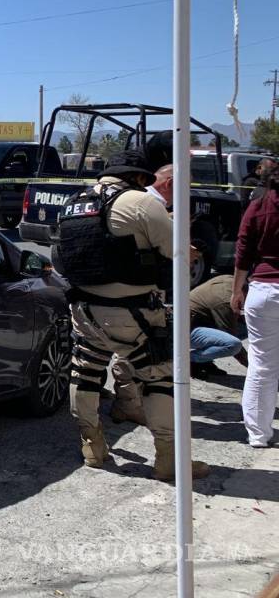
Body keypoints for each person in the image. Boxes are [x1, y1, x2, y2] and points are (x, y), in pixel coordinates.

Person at [53, 150, 210, 480]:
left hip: (84, 310)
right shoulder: (139, 202)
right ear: (139, 177)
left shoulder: (72, 204)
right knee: (160, 379)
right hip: (134, 312)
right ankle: (168, 459)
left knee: (86, 373)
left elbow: (60, 256)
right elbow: (176, 251)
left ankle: (92, 446)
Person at [230, 174, 279, 448]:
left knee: (261, 367)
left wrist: (237, 290)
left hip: (263, 291)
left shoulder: (259, 206)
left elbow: (243, 250)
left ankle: (258, 434)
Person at [189, 274, 248, 378]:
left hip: (191, 323)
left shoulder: (231, 280)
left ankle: (203, 361)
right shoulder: (226, 302)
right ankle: (188, 360)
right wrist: (256, 369)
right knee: (233, 344)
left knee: (217, 324)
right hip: (180, 332)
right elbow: (230, 334)